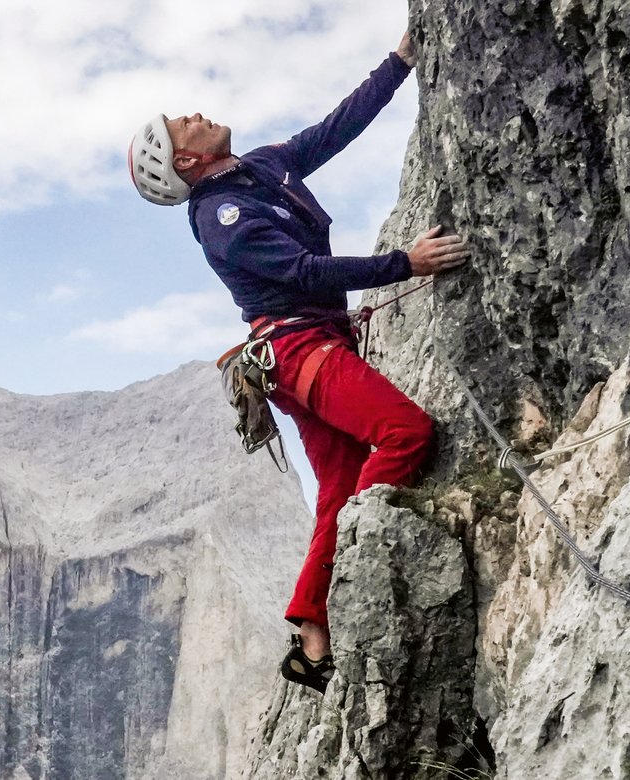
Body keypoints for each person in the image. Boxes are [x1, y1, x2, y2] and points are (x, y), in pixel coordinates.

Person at [127, 30, 472, 692]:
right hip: (299, 350)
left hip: (306, 350)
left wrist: (399, 63)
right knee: (407, 433)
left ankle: (311, 635)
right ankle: (360, 566)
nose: (196, 113)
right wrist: (407, 263)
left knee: (340, 485)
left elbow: (335, 131)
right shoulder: (223, 216)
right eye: (183, 126)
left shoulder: (259, 167)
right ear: (189, 164)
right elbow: (304, 271)